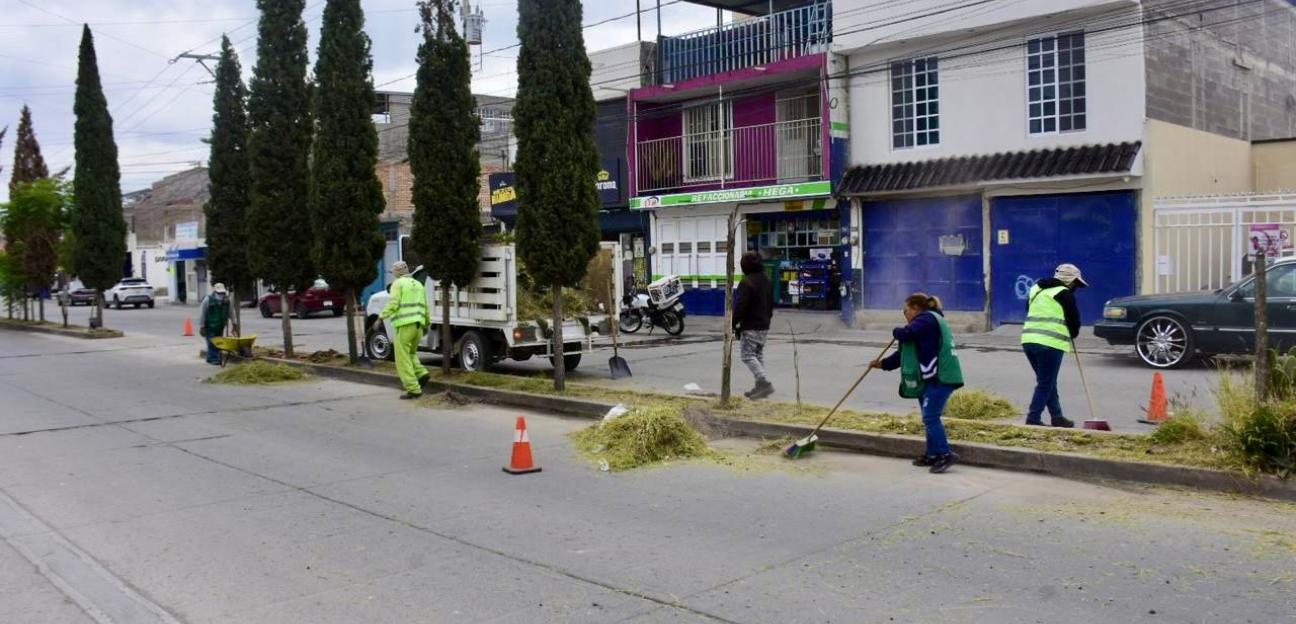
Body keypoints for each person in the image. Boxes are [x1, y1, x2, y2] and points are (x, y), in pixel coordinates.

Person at [871, 293, 964, 473]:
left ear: (915, 308)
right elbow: (903, 354)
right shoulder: (922, 326)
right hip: (929, 379)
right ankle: (932, 454)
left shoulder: (927, 318)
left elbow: (906, 333)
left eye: (905, 311)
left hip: (941, 377)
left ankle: (945, 454)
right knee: (928, 418)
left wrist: (896, 331)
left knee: (930, 417)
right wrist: (882, 364)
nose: (904, 315)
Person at [1020, 263, 1087, 428]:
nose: (1075, 287)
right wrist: (1073, 333)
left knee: (1048, 381)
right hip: (1050, 343)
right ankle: (1033, 418)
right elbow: (1074, 320)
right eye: (1075, 283)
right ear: (1070, 281)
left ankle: (1057, 417)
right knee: (1046, 383)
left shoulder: (1036, 289)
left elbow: (1029, 309)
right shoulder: (1064, 293)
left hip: (1029, 340)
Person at [375, 261, 430, 399]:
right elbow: (425, 306)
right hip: (418, 325)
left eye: (393, 272)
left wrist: (381, 317)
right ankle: (421, 373)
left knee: (402, 358)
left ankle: (413, 389)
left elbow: (394, 303)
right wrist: (426, 324)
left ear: (397, 272)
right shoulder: (418, 284)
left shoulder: (398, 284)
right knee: (411, 353)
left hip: (405, 325)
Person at [734, 251, 775, 400]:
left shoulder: (746, 283)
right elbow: (771, 303)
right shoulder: (767, 280)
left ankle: (763, 383)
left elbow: (741, 306)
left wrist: (733, 323)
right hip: (764, 324)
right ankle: (760, 386)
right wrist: (767, 319)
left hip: (750, 325)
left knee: (747, 356)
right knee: (757, 355)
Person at [199, 283, 231, 366]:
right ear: (215, 292)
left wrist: (234, 323)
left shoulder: (226, 301)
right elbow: (202, 313)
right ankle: (214, 358)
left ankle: (211, 358)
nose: (221, 295)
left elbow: (231, 312)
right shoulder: (207, 300)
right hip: (210, 326)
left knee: (218, 342)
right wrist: (202, 326)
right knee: (212, 342)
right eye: (219, 293)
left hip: (220, 325)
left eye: (222, 293)